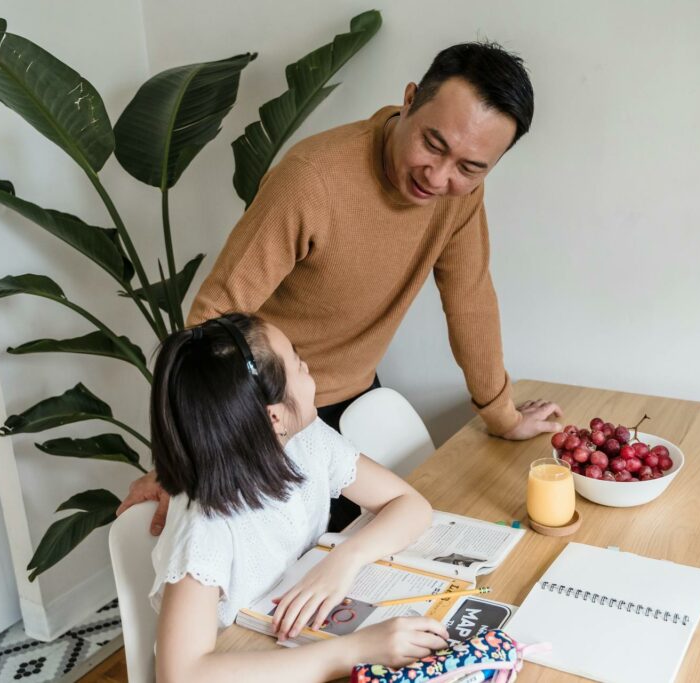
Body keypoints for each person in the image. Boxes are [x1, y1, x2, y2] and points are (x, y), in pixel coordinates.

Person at [118, 41, 563, 533]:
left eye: (469, 167)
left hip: (357, 402)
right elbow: (213, 316)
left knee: (369, 565)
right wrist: (176, 459)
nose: (438, 178)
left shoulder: (461, 197)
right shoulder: (313, 180)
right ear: (410, 99)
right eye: (432, 145)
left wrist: (501, 414)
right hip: (267, 412)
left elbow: (470, 300)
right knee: (279, 586)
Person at [150, 313, 449, 682]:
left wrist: (346, 558)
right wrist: (354, 651)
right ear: (274, 417)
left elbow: (411, 505)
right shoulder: (204, 528)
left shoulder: (307, 441)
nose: (307, 366)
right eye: (296, 361)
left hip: (294, 644)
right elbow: (180, 675)